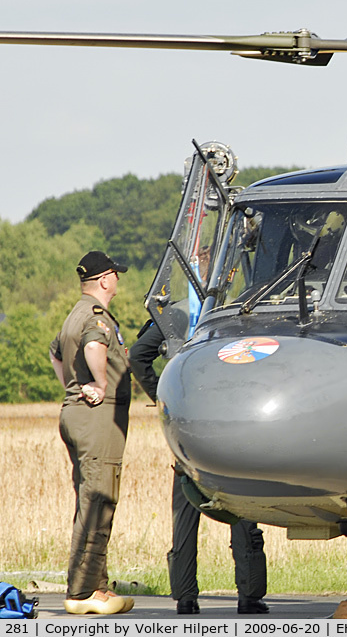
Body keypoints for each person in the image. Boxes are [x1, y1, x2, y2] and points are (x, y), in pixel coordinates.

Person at [129, 319, 270, 615]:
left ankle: (185, 597)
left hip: (188, 427)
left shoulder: (176, 315)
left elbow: (138, 355)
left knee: (185, 514)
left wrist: (163, 398)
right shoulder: (241, 311)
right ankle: (249, 596)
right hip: (233, 423)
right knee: (242, 505)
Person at [48, 251, 134, 615]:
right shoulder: (96, 318)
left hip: (75, 413)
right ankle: (83, 592)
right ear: (104, 280)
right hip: (97, 418)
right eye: (116, 274)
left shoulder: (75, 313)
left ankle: (97, 587)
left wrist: (72, 385)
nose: (118, 280)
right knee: (98, 500)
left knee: (89, 500)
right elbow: (94, 345)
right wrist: (97, 382)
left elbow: (54, 353)